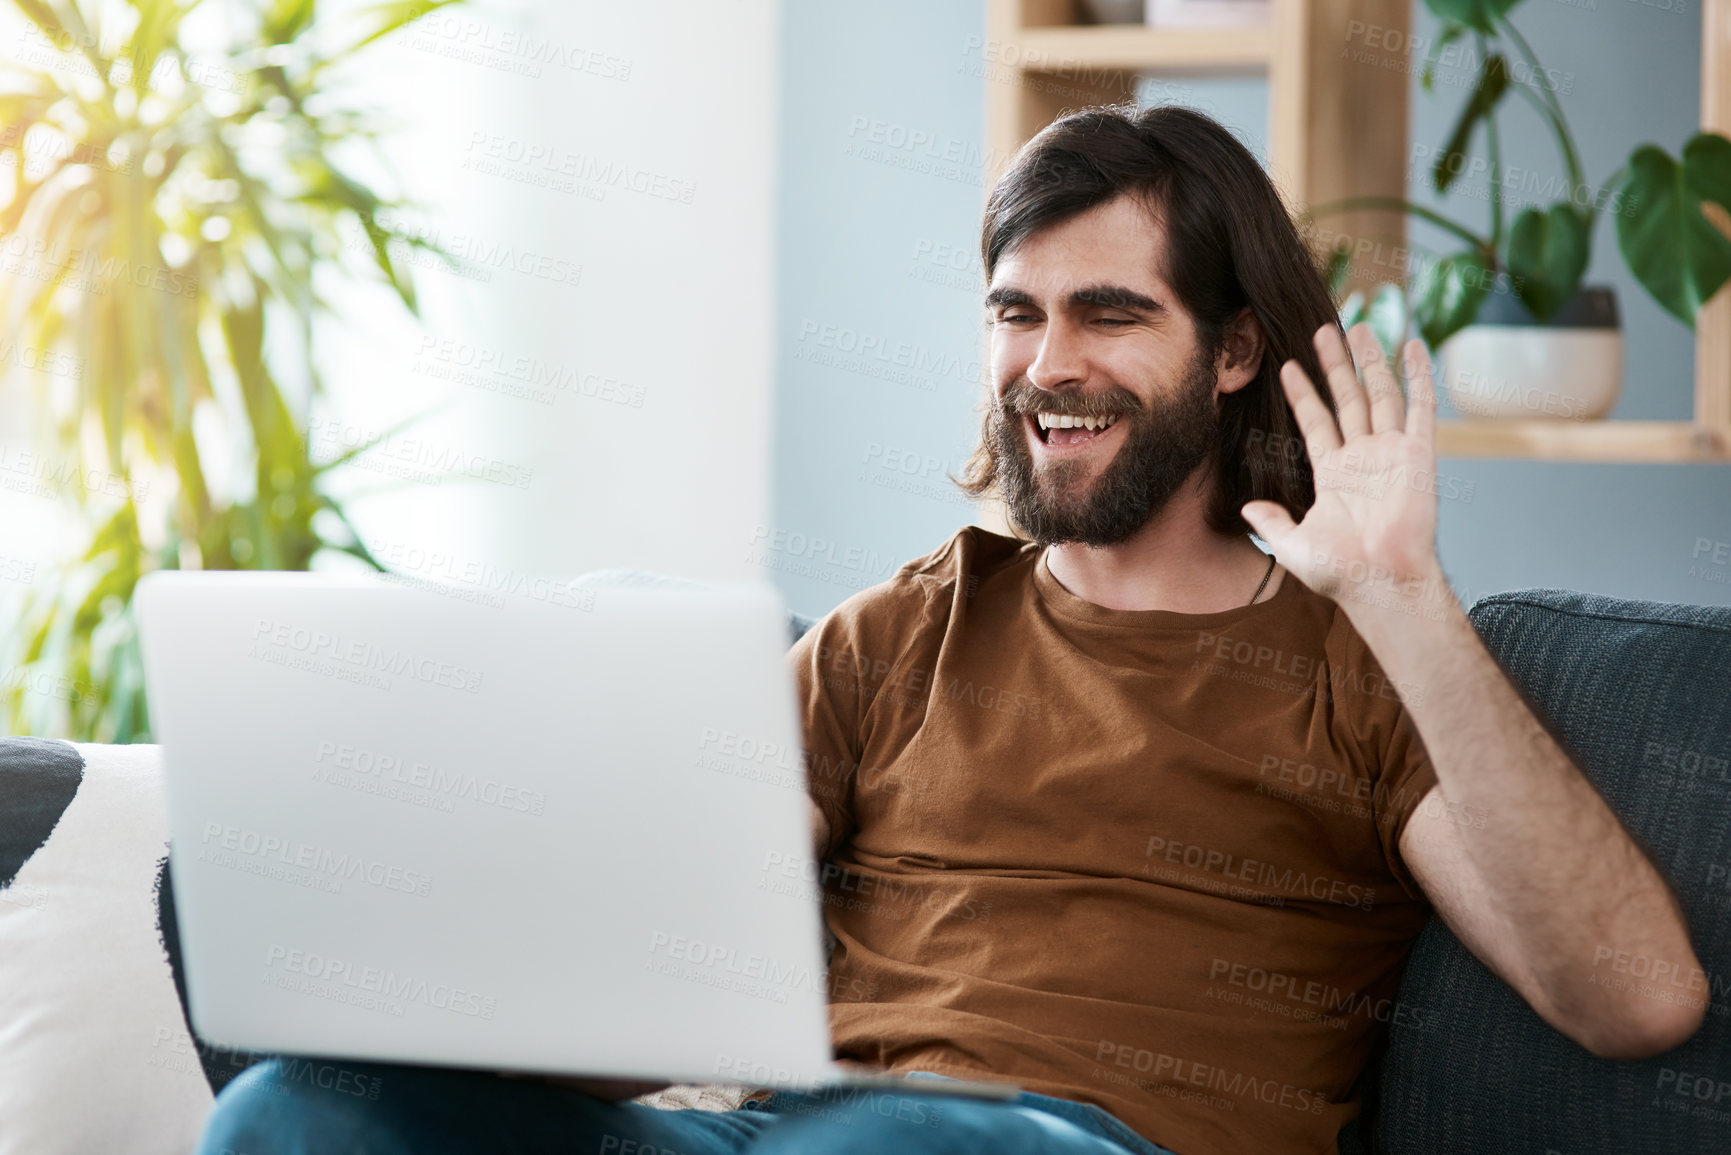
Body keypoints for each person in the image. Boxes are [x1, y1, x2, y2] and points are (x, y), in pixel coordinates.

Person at [197, 104, 1704, 1155]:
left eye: (1109, 314)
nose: (1047, 364)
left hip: (1060, 1145)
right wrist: (433, 986)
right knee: (294, 1111)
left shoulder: (1363, 665)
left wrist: (1405, 595)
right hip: (791, 1139)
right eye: (1014, 312)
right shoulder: (895, 636)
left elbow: (1638, 1001)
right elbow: (641, 1004)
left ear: (1236, 349)